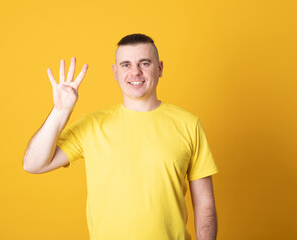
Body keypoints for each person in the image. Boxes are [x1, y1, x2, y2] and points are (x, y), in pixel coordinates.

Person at [23, 33, 218, 240]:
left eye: (144, 63)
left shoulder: (189, 124)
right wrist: (60, 111)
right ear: (115, 72)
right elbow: (33, 164)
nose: (135, 72)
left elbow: (205, 205)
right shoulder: (91, 125)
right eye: (126, 65)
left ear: (159, 68)